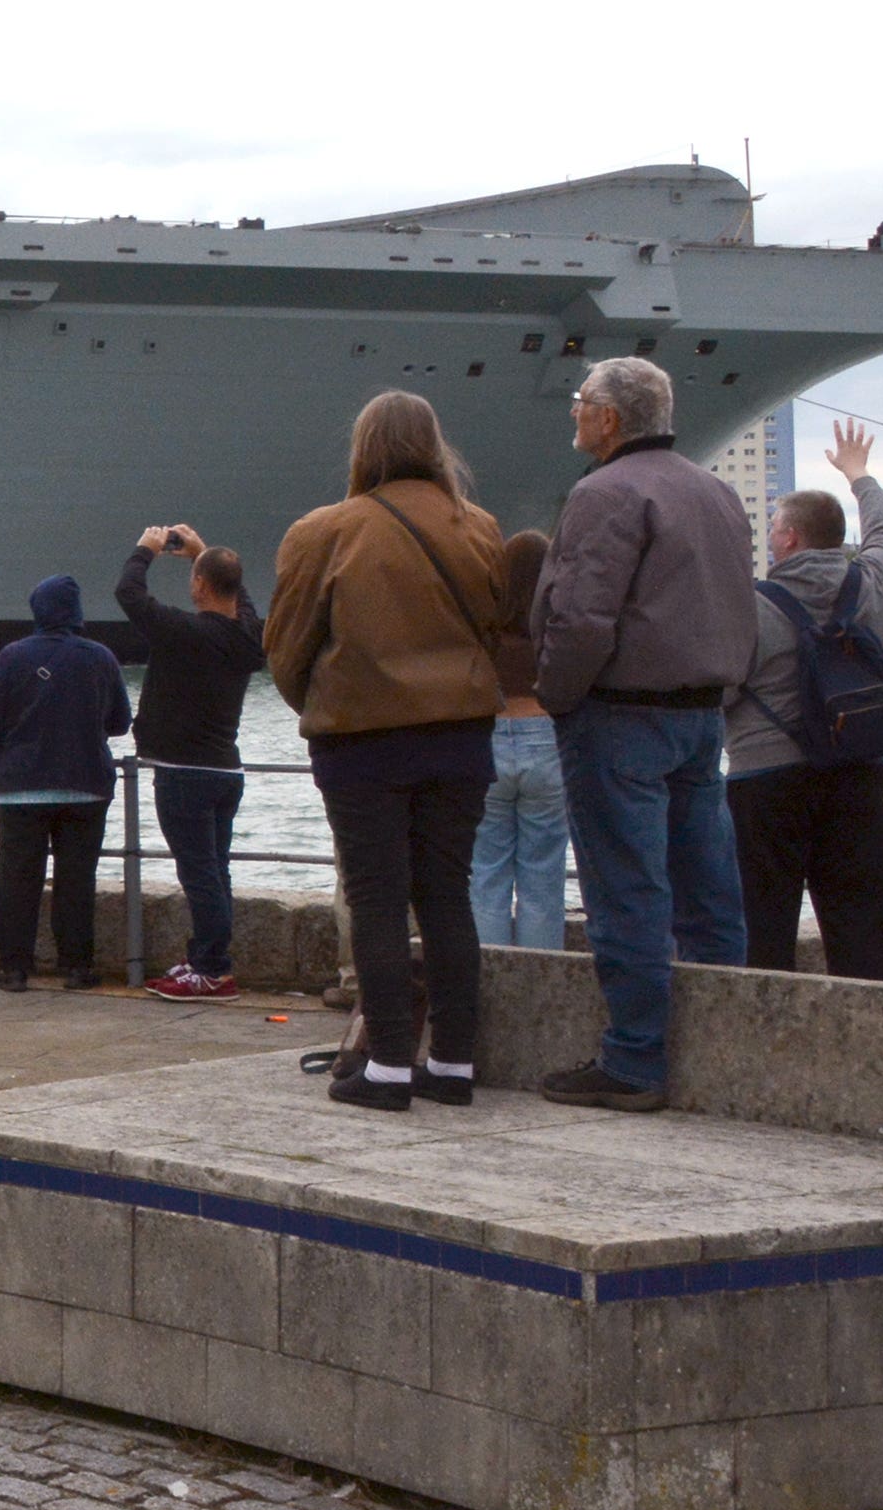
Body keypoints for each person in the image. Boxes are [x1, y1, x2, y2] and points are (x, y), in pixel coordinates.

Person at [266, 392, 507, 1112]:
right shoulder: (480, 527)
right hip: (462, 736)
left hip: (362, 740)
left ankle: (391, 1065)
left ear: (363, 445)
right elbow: (496, 629)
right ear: (435, 446)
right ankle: (455, 1062)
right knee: (446, 895)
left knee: (376, 899)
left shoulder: (326, 530)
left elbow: (285, 648)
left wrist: (328, 700)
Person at [529, 356, 756, 1111]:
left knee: (626, 889)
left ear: (611, 419)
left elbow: (581, 614)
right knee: (708, 889)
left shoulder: (603, 492)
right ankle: (728, 1047)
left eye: (580, 401)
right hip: (701, 715)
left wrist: (556, 696)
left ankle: (632, 1059)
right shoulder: (717, 490)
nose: (573, 412)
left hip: (620, 712)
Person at [728, 422, 883, 977]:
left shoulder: (750, 605)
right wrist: (859, 476)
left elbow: (723, 687)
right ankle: (865, 1036)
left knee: (764, 917)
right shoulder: (873, 583)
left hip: (768, 778)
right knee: (856, 916)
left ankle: (767, 1033)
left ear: (788, 539)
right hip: (862, 767)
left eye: (774, 527)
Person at [120, 524, 266, 1001]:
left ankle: (210, 968)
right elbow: (244, 606)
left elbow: (129, 593)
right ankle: (211, 962)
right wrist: (205, 554)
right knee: (215, 869)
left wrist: (147, 550)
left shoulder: (181, 630)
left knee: (199, 872)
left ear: (199, 586)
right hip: (227, 768)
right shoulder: (249, 640)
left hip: (183, 771)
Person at [0, 578, 130, 991]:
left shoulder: (12, 655)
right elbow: (120, 723)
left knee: (15, 877)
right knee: (77, 879)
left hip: (21, 787)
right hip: (86, 786)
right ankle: (77, 966)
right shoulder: (101, 657)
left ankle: (14, 968)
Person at [469, 531, 567, 950]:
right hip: (545, 740)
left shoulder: (485, 636)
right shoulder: (555, 633)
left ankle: (486, 982)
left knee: (486, 874)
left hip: (490, 741)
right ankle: (538, 990)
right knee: (542, 879)